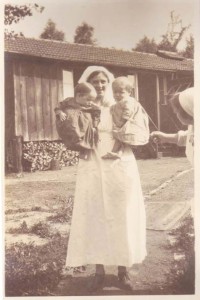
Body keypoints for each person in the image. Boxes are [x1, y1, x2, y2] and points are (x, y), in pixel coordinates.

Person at [64, 66, 147, 292]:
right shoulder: (83, 108)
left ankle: (123, 270)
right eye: (95, 82)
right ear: (87, 85)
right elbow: (71, 129)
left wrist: (122, 144)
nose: (100, 86)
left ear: (109, 83)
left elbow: (135, 130)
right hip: (92, 160)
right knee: (95, 213)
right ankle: (99, 271)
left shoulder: (122, 104)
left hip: (120, 160)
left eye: (103, 81)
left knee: (121, 212)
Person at [151, 87, 194, 215]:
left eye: (177, 111)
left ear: (188, 111)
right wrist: (165, 137)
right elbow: (186, 137)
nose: (175, 114)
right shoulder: (193, 127)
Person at [102, 76, 149, 159]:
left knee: (121, 138)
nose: (117, 94)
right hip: (124, 125)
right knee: (121, 140)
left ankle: (115, 152)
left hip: (130, 124)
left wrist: (122, 122)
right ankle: (117, 153)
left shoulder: (128, 100)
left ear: (129, 92)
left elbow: (128, 111)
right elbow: (113, 109)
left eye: (121, 92)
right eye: (115, 92)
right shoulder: (119, 102)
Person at [55, 82, 101, 159]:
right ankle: (80, 148)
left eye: (92, 100)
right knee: (74, 130)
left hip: (85, 126)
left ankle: (86, 151)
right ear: (79, 96)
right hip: (74, 126)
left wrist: (95, 125)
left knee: (88, 138)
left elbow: (97, 113)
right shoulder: (69, 101)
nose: (90, 102)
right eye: (88, 100)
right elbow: (59, 105)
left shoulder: (92, 106)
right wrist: (59, 112)